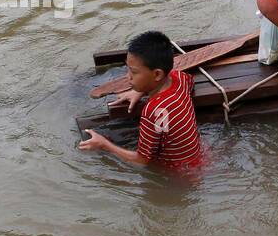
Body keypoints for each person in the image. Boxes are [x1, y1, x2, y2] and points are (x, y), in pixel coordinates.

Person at [78, 31, 204, 173]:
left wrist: (104, 144)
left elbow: (141, 161)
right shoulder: (179, 78)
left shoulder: (153, 111)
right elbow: (189, 82)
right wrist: (140, 90)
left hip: (178, 174)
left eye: (134, 72)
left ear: (157, 74)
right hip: (197, 158)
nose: (128, 77)